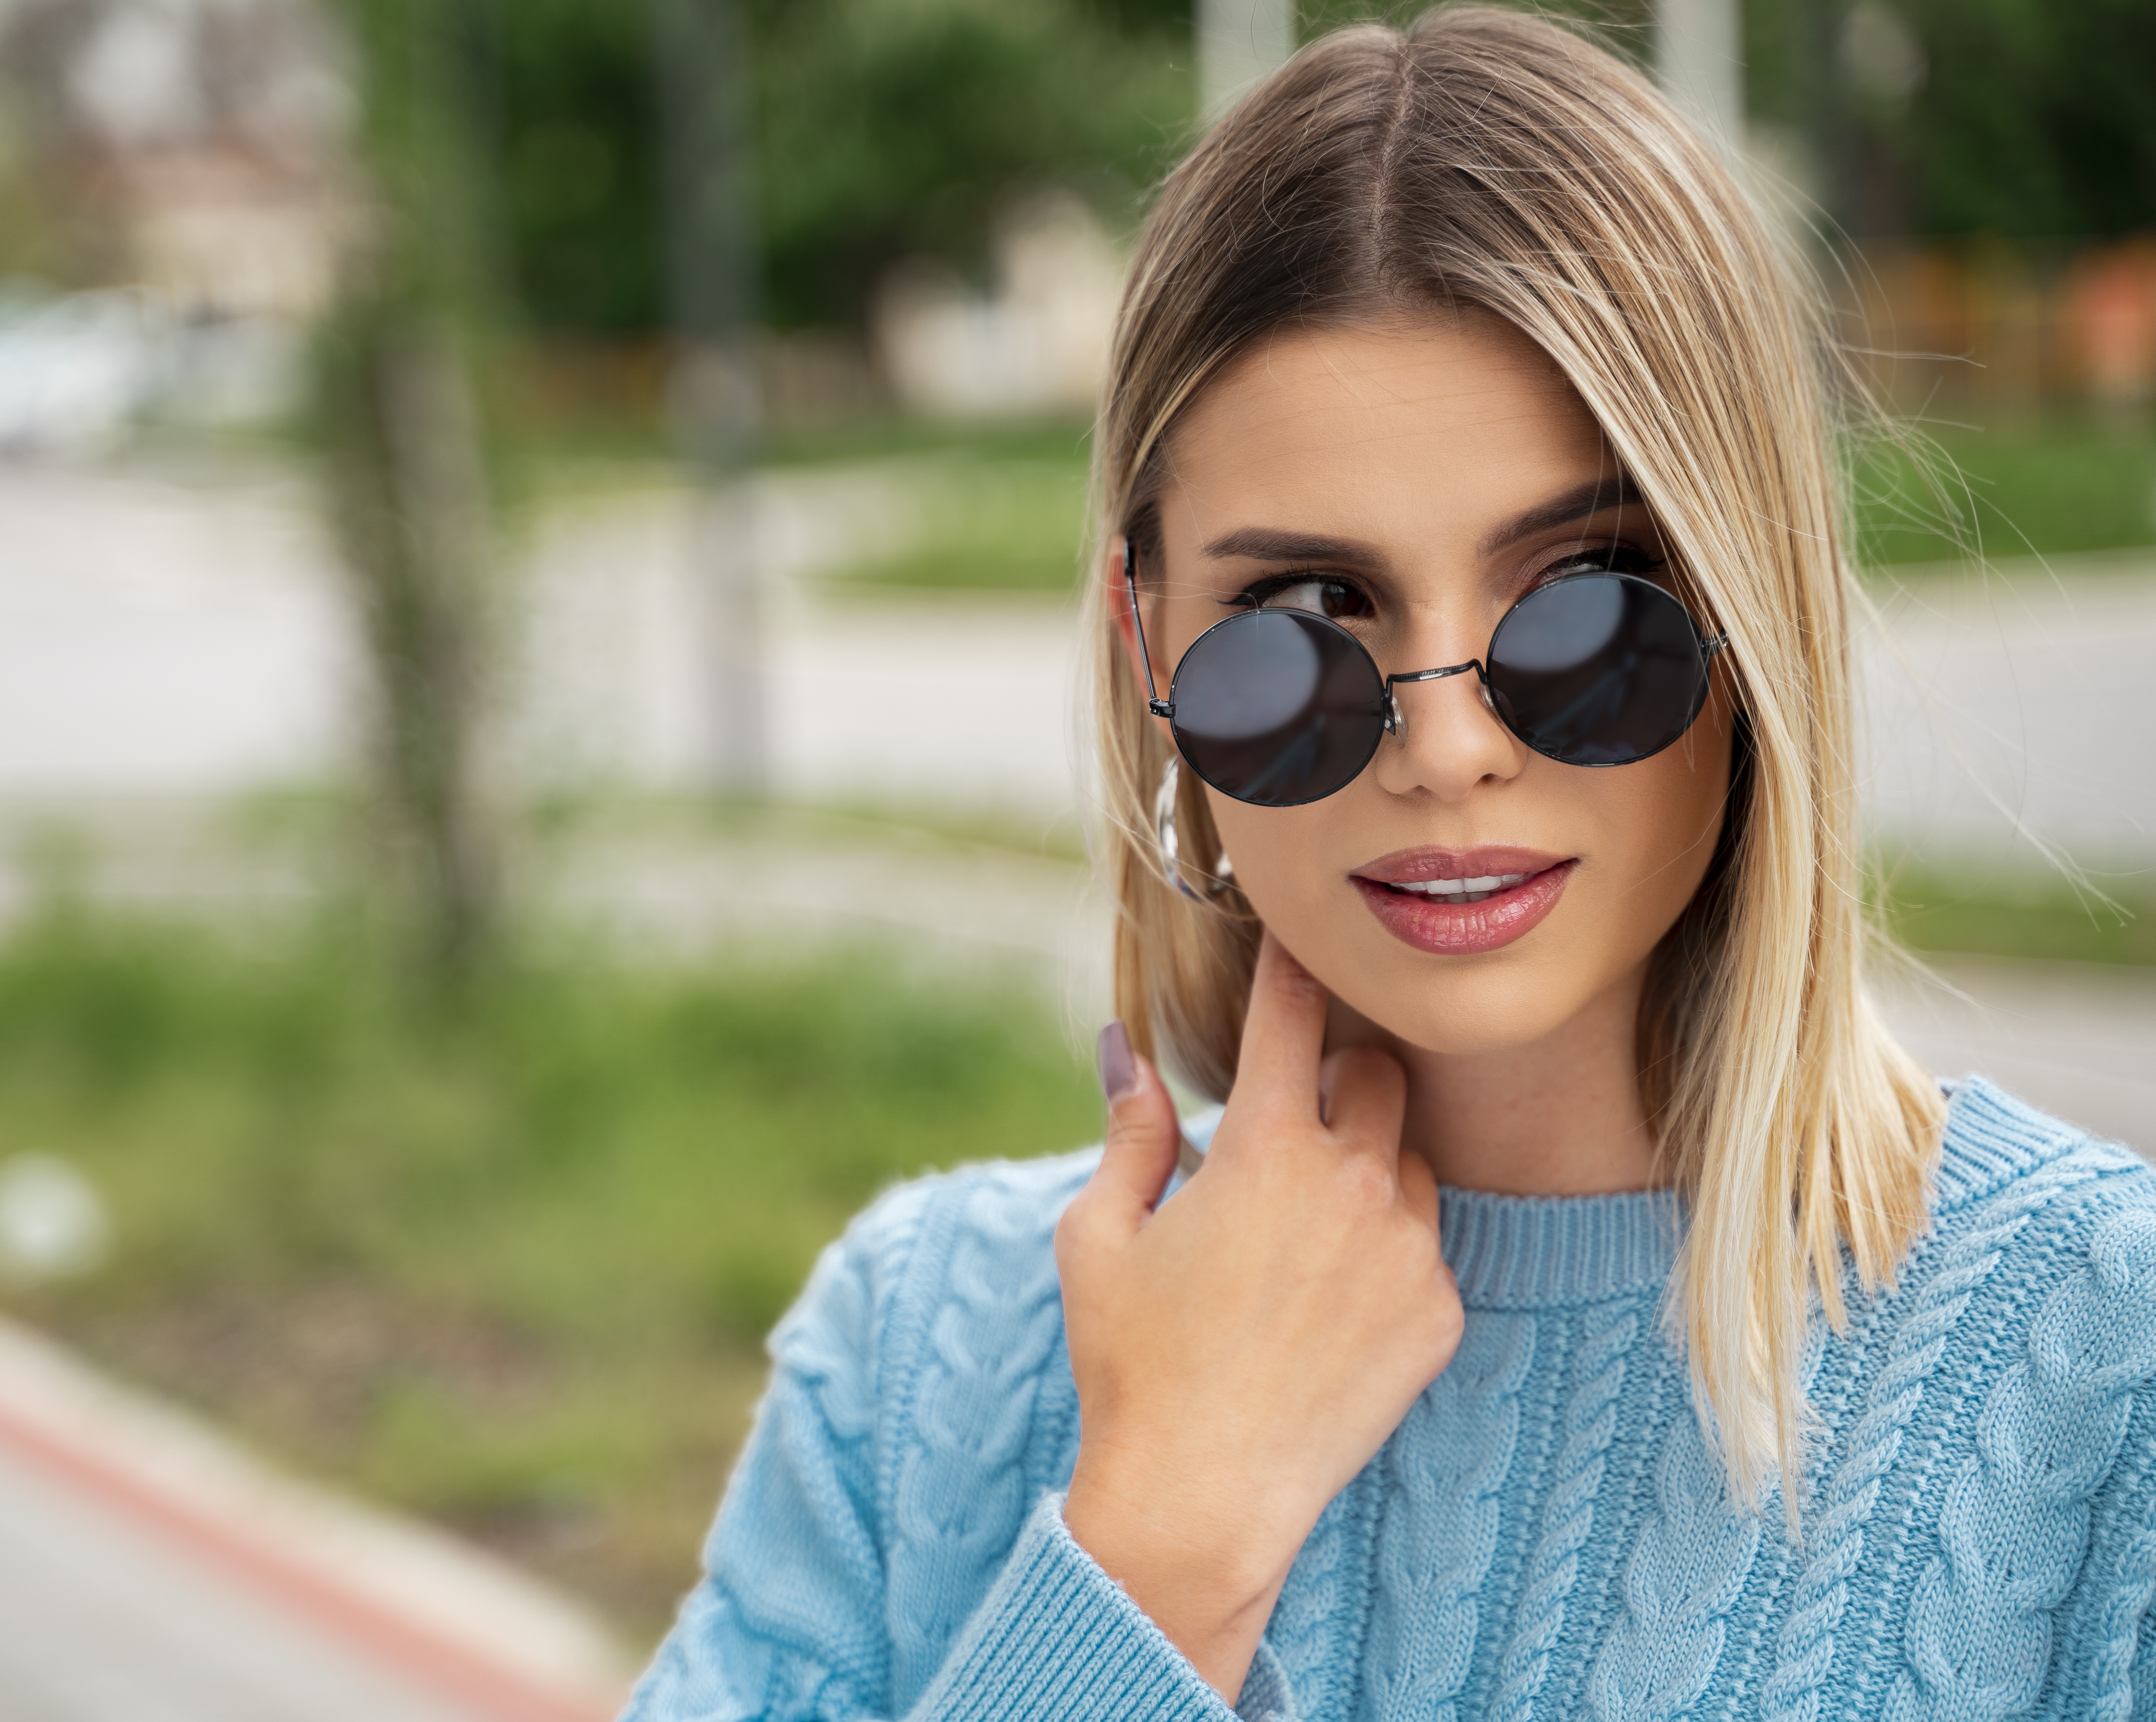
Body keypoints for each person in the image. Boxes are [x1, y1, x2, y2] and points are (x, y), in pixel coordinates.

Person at [621, 10, 2156, 1721]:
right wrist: (1162, 1542)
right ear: (1145, 637)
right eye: (1303, 612)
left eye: (1587, 596)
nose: (1448, 747)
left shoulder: (2107, 1365)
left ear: (1756, 603)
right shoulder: (917, 1351)